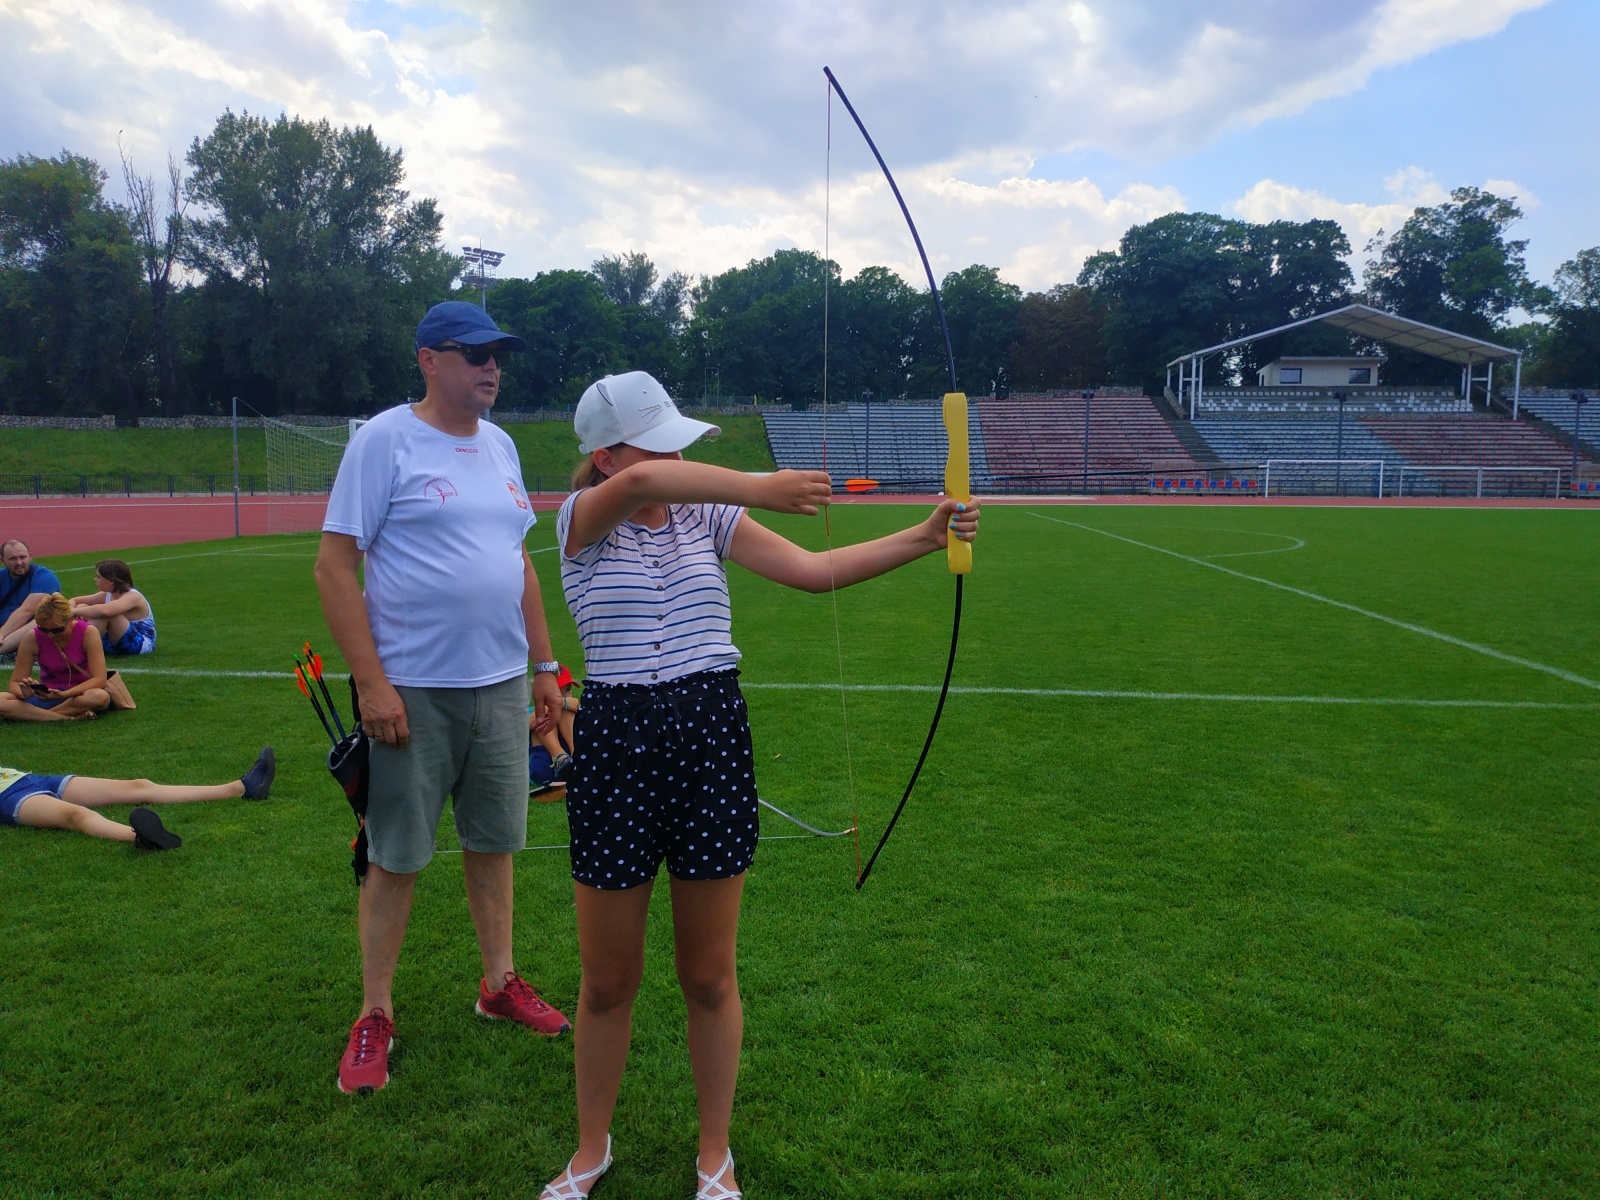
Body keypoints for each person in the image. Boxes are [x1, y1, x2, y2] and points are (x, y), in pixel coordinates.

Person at [540, 371, 981, 1200]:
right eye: (657, 437)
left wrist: (922, 538)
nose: (674, 451)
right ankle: (590, 1148)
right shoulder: (580, 520)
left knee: (708, 974)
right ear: (603, 454)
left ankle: (715, 1152)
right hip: (618, 738)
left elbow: (815, 572)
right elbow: (641, 482)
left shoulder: (707, 512)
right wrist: (760, 485)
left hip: (710, 732)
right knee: (607, 981)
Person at [315, 300, 571, 1097]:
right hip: (412, 691)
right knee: (396, 857)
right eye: (475, 354)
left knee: (495, 845)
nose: (492, 367)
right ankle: (376, 1013)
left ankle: (499, 983)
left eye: (499, 355)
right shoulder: (385, 439)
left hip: (498, 685)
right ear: (429, 359)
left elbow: (520, 563)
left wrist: (545, 667)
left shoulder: (501, 445)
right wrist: (372, 682)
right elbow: (334, 566)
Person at [1, 748, 276, 850]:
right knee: (75, 815)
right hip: (8, 796)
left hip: (20, 777)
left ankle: (240, 788)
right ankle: (141, 838)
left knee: (139, 786)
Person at [0, 593, 111, 722]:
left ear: (70, 620)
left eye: (57, 630)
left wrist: (65, 694)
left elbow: (99, 679)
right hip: (47, 695)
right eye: (44, 630)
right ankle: (68, 718)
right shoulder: (32, 637)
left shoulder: (88, 632)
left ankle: (36, 715)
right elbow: (15, 683)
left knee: (99, 696)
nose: (51, 635)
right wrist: (25, 692)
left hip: (78, 695)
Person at [70, 559, 156, 657]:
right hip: (114, 641)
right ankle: (75, 646)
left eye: (99, 577)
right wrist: (72, 610)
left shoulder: (133, 596)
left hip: (139, 643)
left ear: (111, 581)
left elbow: (106, 611)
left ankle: (75, 648)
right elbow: (75, 600)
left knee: (109, 615)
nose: (95, 580)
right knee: (82, 606)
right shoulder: (106, 595)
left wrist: (73, 611)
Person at [0, 539, 63, 658]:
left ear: (30, 556)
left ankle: (2, 650)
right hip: (5, 631)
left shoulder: (44, 577)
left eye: (22, 557)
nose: (19, 562)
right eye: (12, 559)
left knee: (42, 619)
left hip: (33, 631)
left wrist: (1, 634)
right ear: (2, 560)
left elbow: (27, 611)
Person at [528, 664, 577, 800]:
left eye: (567, 690)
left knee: (564, 712)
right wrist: (552, 706)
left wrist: (562, 703)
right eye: (556, 691)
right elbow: (517, 729)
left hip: (570, 766)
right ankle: (561, 759)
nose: (563, 695)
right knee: (542, 715)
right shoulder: (533, 712)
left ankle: (576, 759)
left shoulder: (574, 709)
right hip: (544, 767)